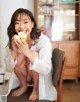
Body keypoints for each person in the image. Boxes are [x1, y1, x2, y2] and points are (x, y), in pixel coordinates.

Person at [5, 8, 57, 101]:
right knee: (18, 56)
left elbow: (46, 69)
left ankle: (36, 89)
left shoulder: (43, 40)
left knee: (34, 54)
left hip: (40, 78)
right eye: (17, 23)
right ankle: (24, 85)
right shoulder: (14, 41)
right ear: (13, 26)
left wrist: (27, 52)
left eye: (25, 22)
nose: (21, 26)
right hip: (25, 76)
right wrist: (14, 51)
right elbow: (8, 69)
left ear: (32, 24)